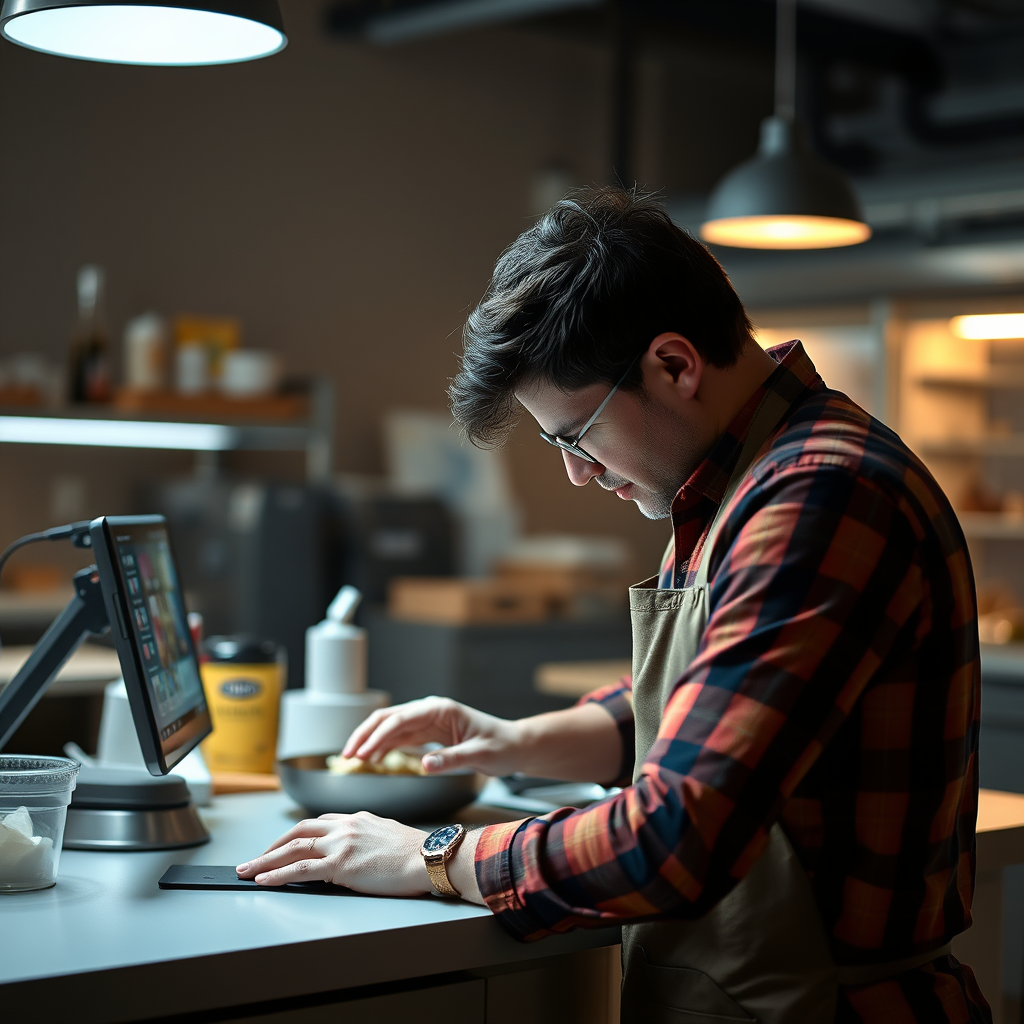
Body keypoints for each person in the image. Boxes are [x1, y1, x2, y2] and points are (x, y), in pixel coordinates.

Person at [237, 187, 989, 1024]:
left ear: (674, 366)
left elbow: (678, 835)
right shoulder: (739, 482)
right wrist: (513, 740)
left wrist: (433, 855)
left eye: (575, 434)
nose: (576, 472)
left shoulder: (820, 498)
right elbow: (717, 712)